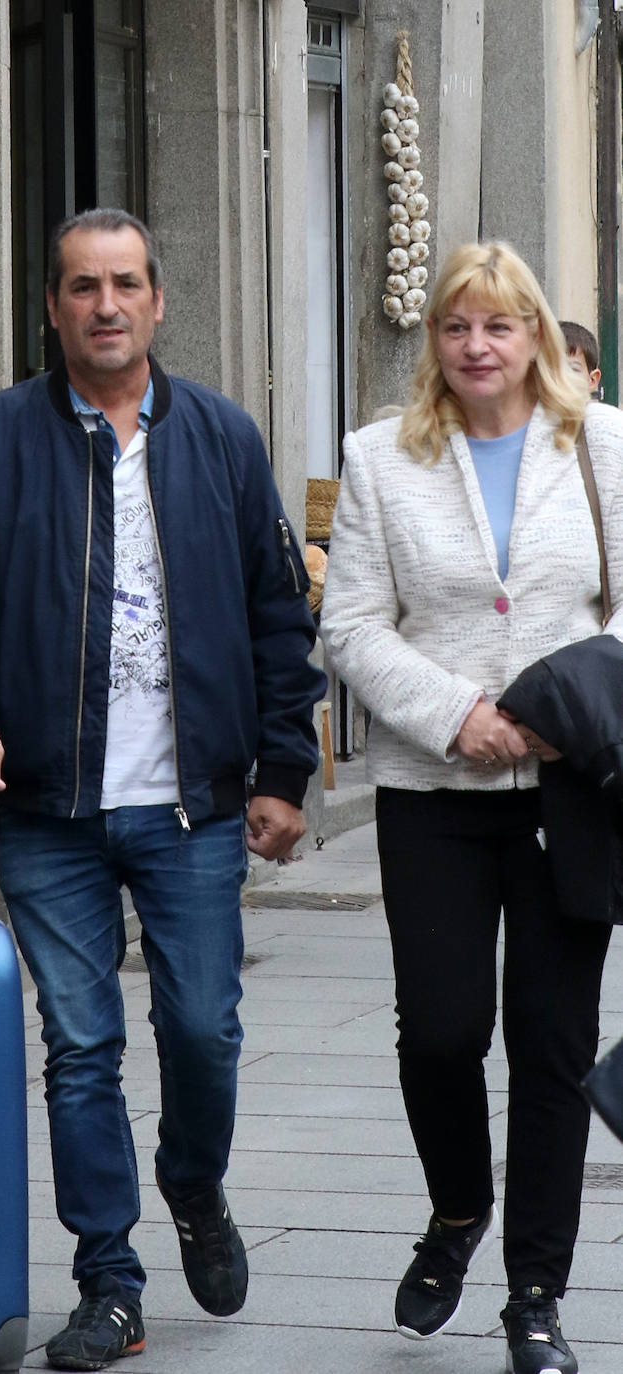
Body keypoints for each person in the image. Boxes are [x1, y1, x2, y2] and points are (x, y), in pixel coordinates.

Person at [0, 208, 326, 1372]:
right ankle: (110, 1280)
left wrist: (284, 772)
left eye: (126, 283)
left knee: (202, 1029)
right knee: (79, 1044)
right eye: (82, 285)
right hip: (48, 806)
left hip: (191, 804)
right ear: (52, 306)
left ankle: (192, 1178)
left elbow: (283, 617)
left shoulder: (225, 441)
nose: (105, 305)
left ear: (158, 300)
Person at [320, 240, 623, 1374]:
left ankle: (535, 1299)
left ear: (537, 334)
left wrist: (562, 711)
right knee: (442, 1034)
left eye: (500, 326)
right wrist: (460, 714)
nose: (478, 346)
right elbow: (350, 625)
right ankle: (458, 1212)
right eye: (457, 328)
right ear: (433, 343)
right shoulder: (380, 460)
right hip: (433, 790)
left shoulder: (603, 444)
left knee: (552, 1049)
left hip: (568, 794)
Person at [559, 318, 602, 399]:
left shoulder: (601, 411)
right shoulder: (535, 411)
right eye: (550, 369)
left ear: (592, 380)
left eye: (573, 369)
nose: (561, 378)